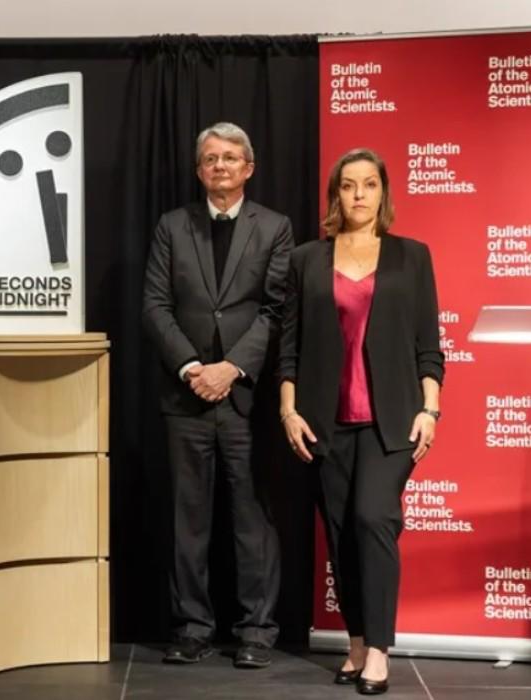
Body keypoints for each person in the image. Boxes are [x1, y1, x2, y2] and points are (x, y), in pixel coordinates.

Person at [279, 148, 443, 696]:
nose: (358, 196)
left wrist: (431, 408)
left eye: (369, 185)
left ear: (383, 192)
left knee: (374, 518)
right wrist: (287, 408)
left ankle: (379, 648)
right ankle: (354, 639)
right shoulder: (306, 260)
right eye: (348, 186)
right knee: (343, 533)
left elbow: (429, 345)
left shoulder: (412, 257)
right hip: (327, 420)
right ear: (336, 195)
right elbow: (290, 347)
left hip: (391, 421)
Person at [142, 122, 292, 669]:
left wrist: (229, 369)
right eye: (210, 158)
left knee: (253, 519)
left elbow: (276, 309)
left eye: (231, 158)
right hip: (185, 398)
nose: (220, 166)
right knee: (190, 520)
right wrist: (191, 368)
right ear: (198, 169)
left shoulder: (274, 227)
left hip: (245, 398)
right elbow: (155, 307)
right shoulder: (171, 226)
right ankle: (193, 626)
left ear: (248, 168)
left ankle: (256, 630)